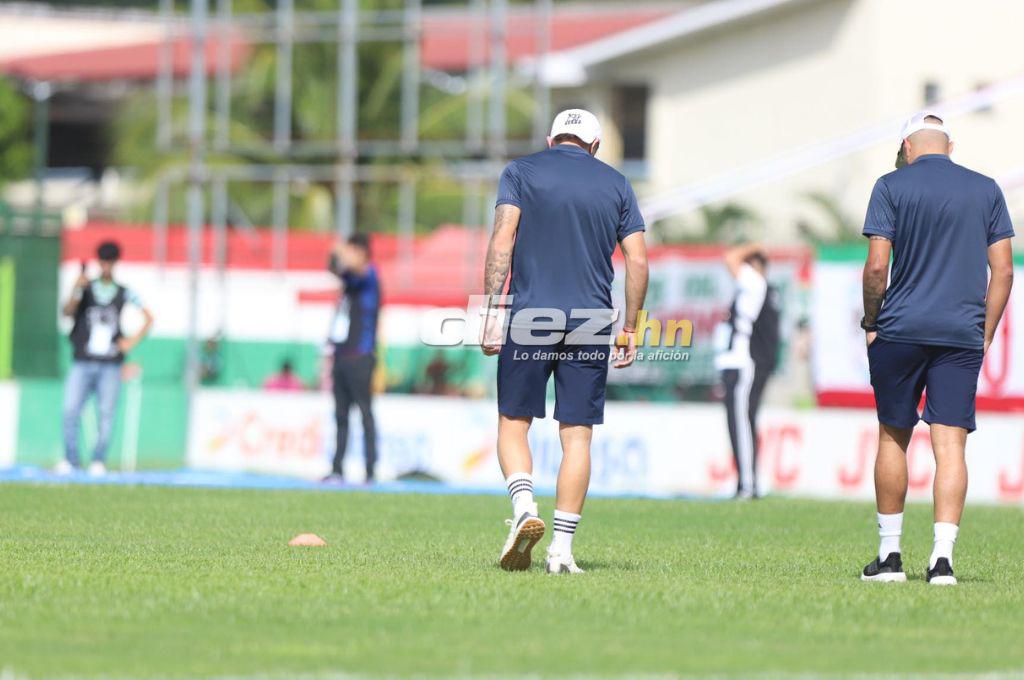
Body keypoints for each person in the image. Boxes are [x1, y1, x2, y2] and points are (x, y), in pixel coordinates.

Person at [481, 108, 648, 574]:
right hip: (592, 319)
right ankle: (562, 550)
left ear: (552, 139)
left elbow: (502, 240)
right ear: (594, 146)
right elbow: (637, 262)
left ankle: (523, 509)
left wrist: (492, 312)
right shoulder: (616, 184)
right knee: (577, 437)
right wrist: (631, 327)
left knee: (514, 423)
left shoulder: (521, 172)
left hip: (530, 313)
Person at [859, 111, 1014, 585]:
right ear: (950, 145)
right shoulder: (986, 188)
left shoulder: (891, 185)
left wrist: (871, 320)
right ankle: (942, 560)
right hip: (960, 334)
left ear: (908, 147)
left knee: (893, 436)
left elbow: (876, 268)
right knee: (951, 447)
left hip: (900, 329)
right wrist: (984, 332)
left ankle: (890, 559)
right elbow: (1004, 271)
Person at [58, 241, 153, 475]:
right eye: (103, 261)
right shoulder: (86, 289)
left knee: (106, 414)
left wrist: (131, 341)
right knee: (70, 410)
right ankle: (71, 459)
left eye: (110, 261)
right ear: (98, 262)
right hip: (83, 360)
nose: (106, 265)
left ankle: (98, 459)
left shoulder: (124, 292)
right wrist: (75, 289)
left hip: (110, 364)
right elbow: (67, 312)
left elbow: (149, 317)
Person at [714, 243, 780, 499]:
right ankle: (745, 481)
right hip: (735, 361)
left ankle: (747, 484)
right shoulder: (755, 287)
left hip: (743, 362)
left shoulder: (755, 282)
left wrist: (756, 247)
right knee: (738, 422)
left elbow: (729, 256)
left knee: (741, 422)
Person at [324, 234, 381, 484]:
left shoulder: (370, 275)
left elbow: (355, 268)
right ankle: (337, 468)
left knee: (365, 414)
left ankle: (370, 471)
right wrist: (336, 255)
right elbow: (333, 268)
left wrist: (344, 254)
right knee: (340, 415)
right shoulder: (349, 280)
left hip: (361, 355)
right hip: (342, 355)